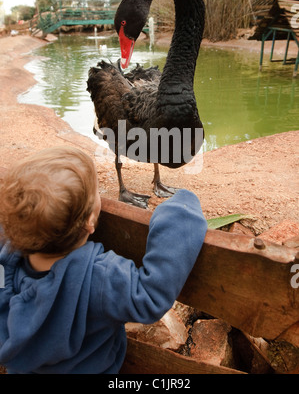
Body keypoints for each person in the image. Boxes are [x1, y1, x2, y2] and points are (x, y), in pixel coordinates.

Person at [0, 146, 207, 374]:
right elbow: (150, 297)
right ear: (90, 222)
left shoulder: (6, 270)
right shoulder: (98, 277)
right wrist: (181, 209)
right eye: (97, 191)